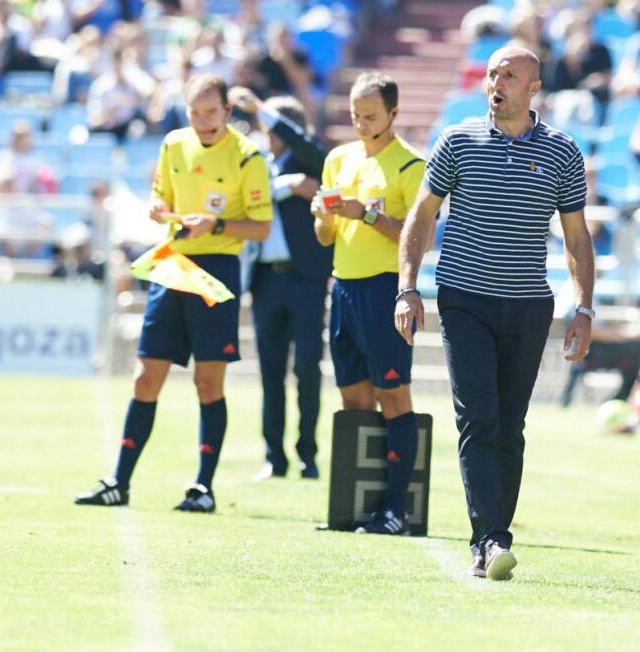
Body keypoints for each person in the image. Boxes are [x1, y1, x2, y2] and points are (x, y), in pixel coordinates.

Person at [395, 47, 594, 579]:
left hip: (529, 305)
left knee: (510, 426)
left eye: (510, 76)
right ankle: (490, 540)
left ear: (534, 89)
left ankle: (492, 538)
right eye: (492, 74)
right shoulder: (457, 141)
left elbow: (576, 236)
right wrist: (407, 287)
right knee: (478, 419)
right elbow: (422, 216)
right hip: (464, 299)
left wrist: (585, 308)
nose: (497, 83)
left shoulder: (563, 151)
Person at [75, 73, 273, 512]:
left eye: (211, 112)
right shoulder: (173, 145)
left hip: (216, 270)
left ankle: (203, 488)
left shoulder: (247, 157)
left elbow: (261, 226)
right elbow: (160, 199)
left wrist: (216, 224)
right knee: (146, 376)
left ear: (227, 110)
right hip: (173, 262)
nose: (203, 121)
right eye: (195, 112)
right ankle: (118, 481)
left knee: (208, 381)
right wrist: (158, 210)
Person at [310, 71, 425, 535]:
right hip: (343, 287)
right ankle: (354, 507)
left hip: (385, 289)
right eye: (355, 115)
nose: (360, 123)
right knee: (353, 398)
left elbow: (417, 237)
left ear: (393, 114)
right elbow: (324, 238)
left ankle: (396, 510)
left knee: (393, 396)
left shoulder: (410, 166)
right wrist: (321, 215)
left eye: (370, 116)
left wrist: (368, 213)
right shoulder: (338, 159)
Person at [229, 86, 331, 481]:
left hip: (305, 279)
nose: (266, 133)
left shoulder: (313, 158)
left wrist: (265, 109)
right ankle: (274, 456)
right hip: (266, 280)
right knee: (270, 372)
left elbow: (307, 149)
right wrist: (288, 185)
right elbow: (243, 199)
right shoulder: (258, 163)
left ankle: (308, 453)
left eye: (272, 126)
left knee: (307, 368)